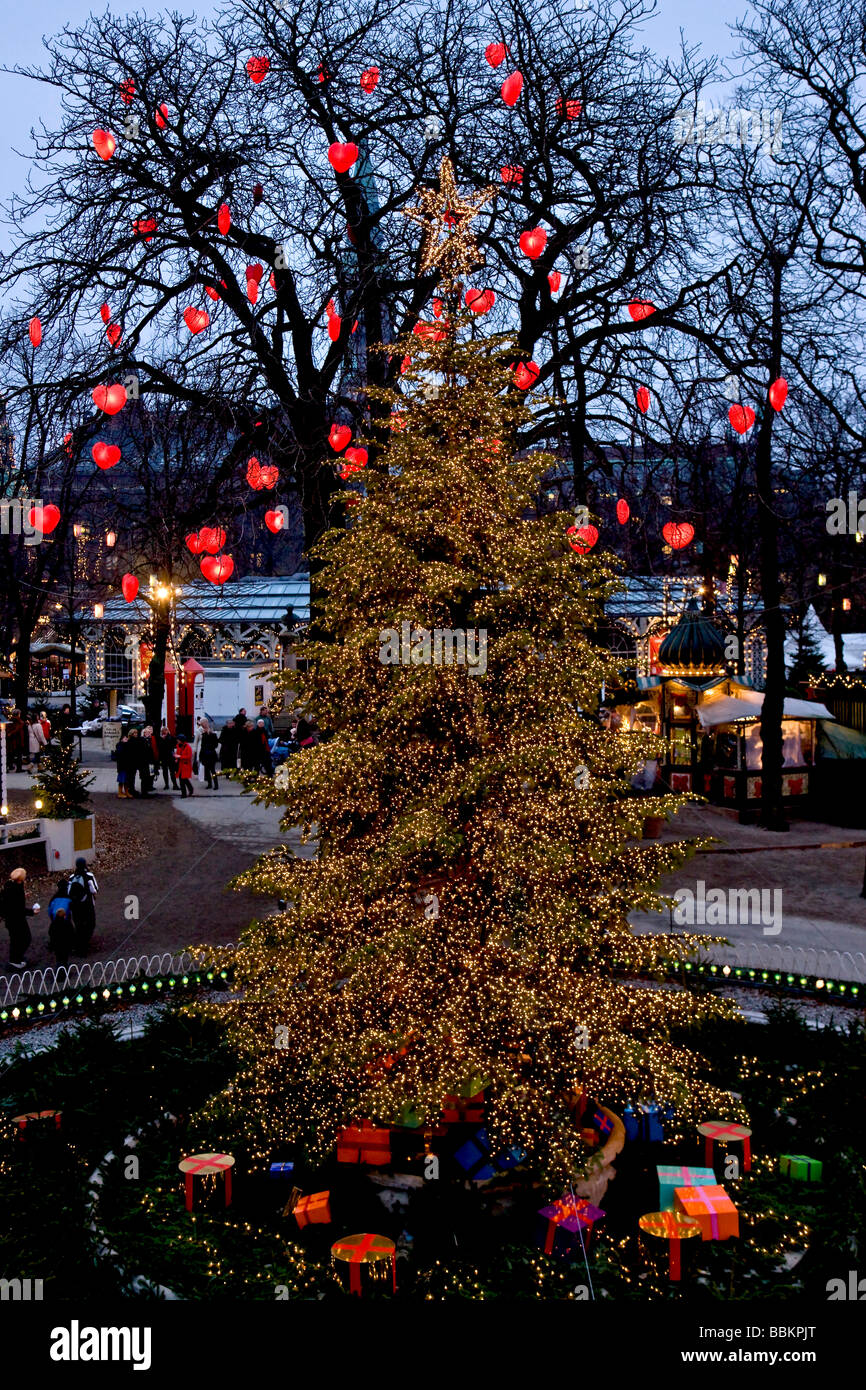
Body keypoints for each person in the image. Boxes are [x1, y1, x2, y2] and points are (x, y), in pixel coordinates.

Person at [1, 867, 38, 970]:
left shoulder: (9, 886)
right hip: (17, 920)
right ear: (20, 879)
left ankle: (16, 959)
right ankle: (15, 961)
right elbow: (18, 908)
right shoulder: (16, 890)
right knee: (25, 939)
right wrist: (32, 912)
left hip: (11, 920)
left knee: (16, 940)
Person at [68, 857, 98, 954]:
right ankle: (84, 944)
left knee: (78, 924)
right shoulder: (89, 875)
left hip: (76, 906)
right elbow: (95, 889)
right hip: (88, 904)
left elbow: (69, 892)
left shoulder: (72, 877)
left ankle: (79, 945)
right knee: (90, 924)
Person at [47, 876, 74, 967]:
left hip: (55, 920)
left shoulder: (54, 898)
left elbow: (50, 911)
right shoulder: (69, 898)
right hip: (65, 921)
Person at [199, 719, 220, 789]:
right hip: (205, 754)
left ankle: (216, 784)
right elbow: (202, 745)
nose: (202, 726)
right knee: (207, 770)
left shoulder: (213, 734)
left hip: (211, 754)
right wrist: (201, 755)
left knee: (212, 770)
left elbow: (215, 744)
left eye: (203, 724)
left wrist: (209, 734)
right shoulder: (203, 734)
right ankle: (209, 784)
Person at [137, 725, 155, 797]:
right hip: (143, 762)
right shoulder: (141, 740)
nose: (148, 734)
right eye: (146, 733)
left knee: (149, 776)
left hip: (149, 762)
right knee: (144, 777)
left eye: (149, 733)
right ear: (144, 733)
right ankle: (144, 792)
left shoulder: (150, 740)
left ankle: (146, 790)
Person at [115, 731, 131, 798]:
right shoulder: (120, 745)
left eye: (127, 738)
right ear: (122, 739)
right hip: (122, 766)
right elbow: (120, 755)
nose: (126, 739)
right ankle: (120, 792)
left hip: (127, 765)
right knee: (122, 779)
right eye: (125, 738)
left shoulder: (127, 745)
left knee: (126, 780)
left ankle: (126, 792)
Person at [126, 727, 141, 795]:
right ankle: (131, 789)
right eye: (134, 733)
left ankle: (131, 788)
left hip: (133, 761)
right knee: (131, 776)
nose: (136, 734)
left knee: (132, 776)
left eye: (136, 733)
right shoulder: (131, 741)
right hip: (131, 761)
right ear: (131, 734)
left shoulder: (134, 741)